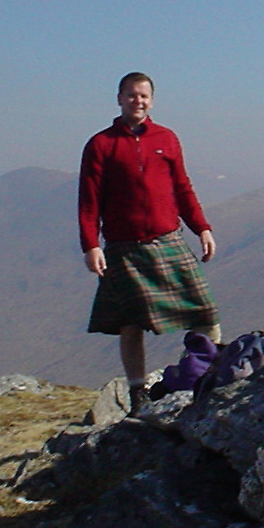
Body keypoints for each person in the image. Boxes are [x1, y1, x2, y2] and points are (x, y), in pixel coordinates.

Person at [79, 72, 220, 408]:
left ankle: (205, 375)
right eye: (130, 95)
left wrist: (201, 227)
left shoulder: (166, 139)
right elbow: (89, 201)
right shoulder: (101, 144)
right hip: (124, 247)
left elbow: (182, 188)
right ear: (119, 98)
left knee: (205, 311)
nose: (137, 101)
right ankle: (137, 391)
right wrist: (91, 245)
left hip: (168, 239)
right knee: (130, 325)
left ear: (151, 100)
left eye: (143, 96)